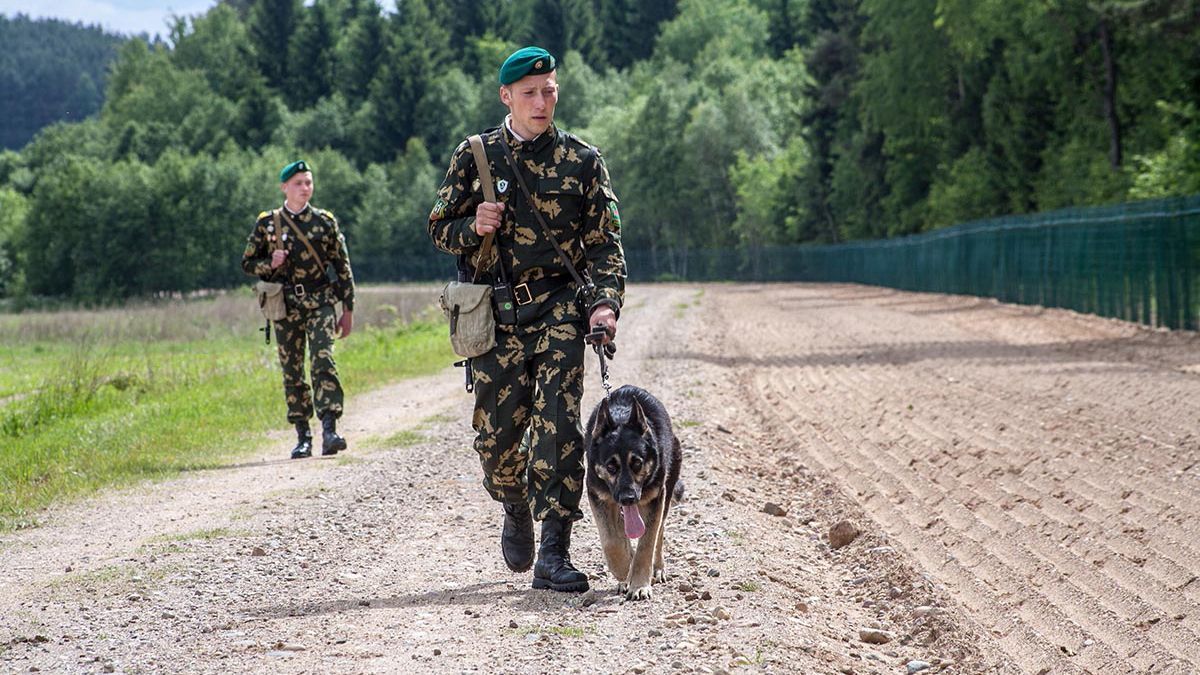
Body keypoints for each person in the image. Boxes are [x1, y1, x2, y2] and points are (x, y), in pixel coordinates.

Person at [428, 46, 626, 593]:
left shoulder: (583, 161)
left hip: (559, 307)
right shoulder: (475, 156)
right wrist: (473, 226)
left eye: (550, 91)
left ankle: (554, 552)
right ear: (507, 97)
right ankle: (514, 504)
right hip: (497, 312)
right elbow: (439, 227)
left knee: (559, 427)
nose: (542, 102)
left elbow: (604, 245)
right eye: (530, 93)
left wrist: (604, 303)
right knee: (498, 441)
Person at [243, 160, 356, 459]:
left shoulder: (324, 222)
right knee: (292, 369)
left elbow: (342, 268)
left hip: (320, 302)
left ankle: (330, 429)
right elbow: (247, 263)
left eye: (308, 182)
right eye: (298, 183)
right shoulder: (268, 224)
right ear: (284, 187)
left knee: (323, 361)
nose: (305, 188)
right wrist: (270, 263)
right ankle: (303, 435)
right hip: (285, 306)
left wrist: (348, 309)